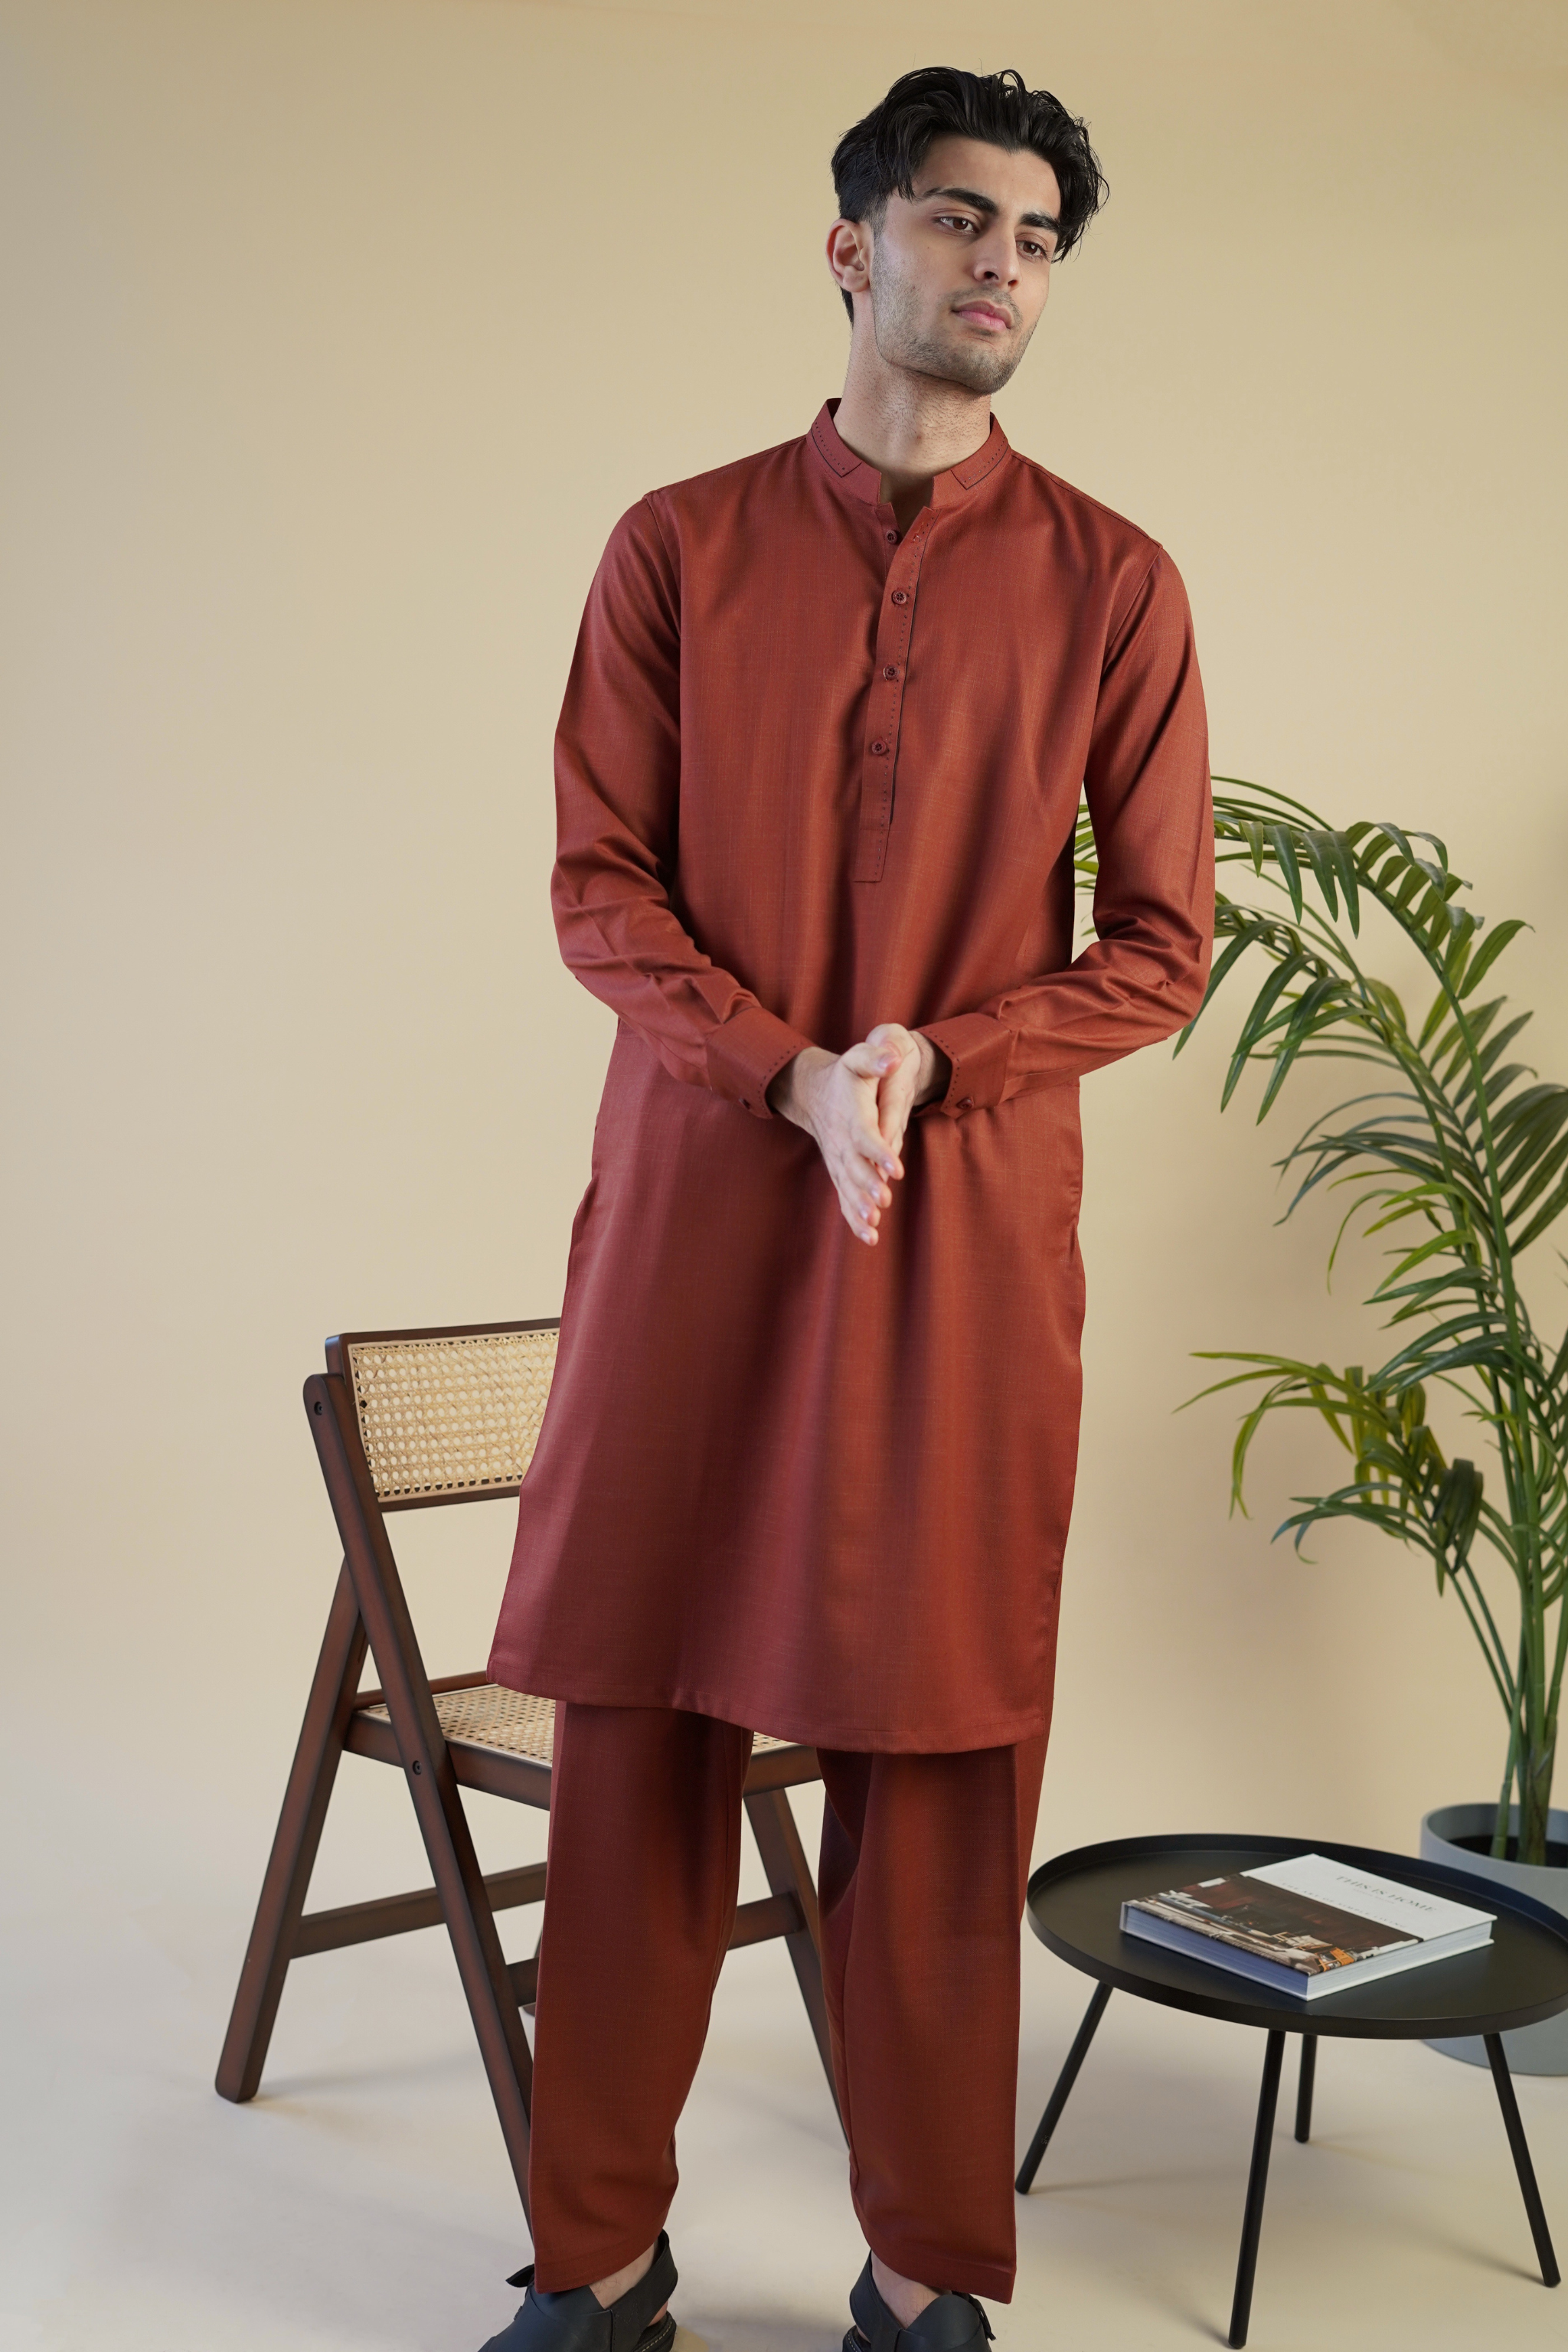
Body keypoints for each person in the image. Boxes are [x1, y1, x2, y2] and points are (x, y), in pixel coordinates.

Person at [482, 63, 1214, 2352]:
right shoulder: (677, 547)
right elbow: (599, 889)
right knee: (634, 1725)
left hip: (962, 1249)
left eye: (1038, 241)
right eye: (962, 222)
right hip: (701, 1216)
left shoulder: (1114, 582)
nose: (1004, 267)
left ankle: (925, 2274)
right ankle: (598, 2259)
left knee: (944, 1747)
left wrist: (937, 1061)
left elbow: (1162, 943)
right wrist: (784, 1071)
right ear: (854, 251)